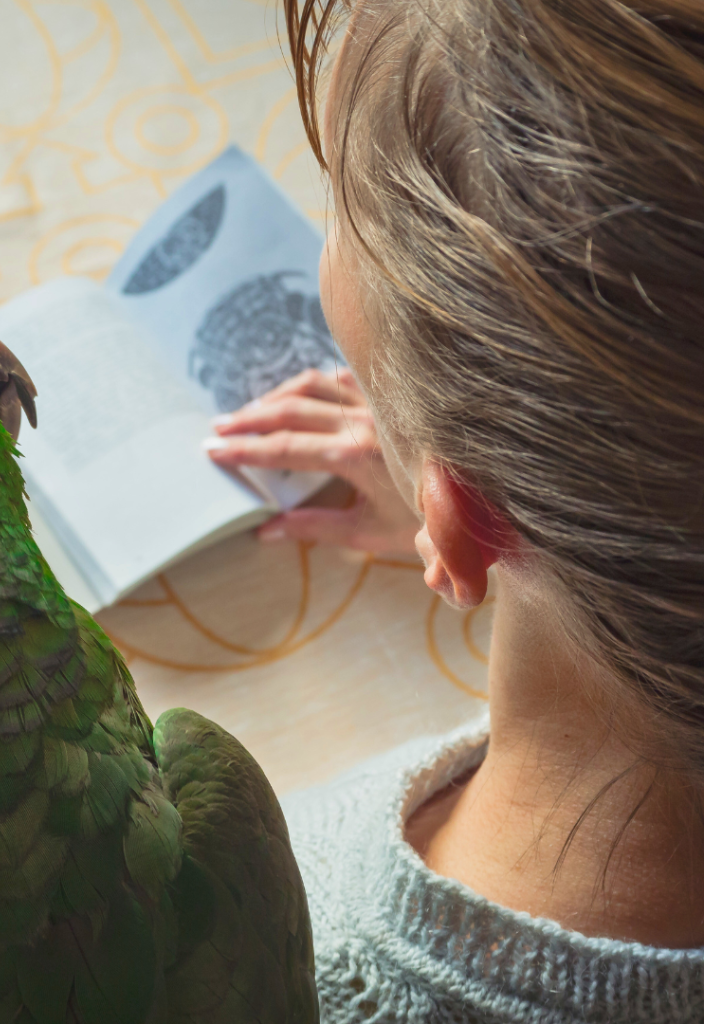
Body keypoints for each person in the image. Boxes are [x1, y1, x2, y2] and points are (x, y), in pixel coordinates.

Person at [207, 1, 704, 1020]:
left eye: (334, 214)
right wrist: (555, 524)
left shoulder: (278, 952)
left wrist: (526, 519)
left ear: (463, 519)